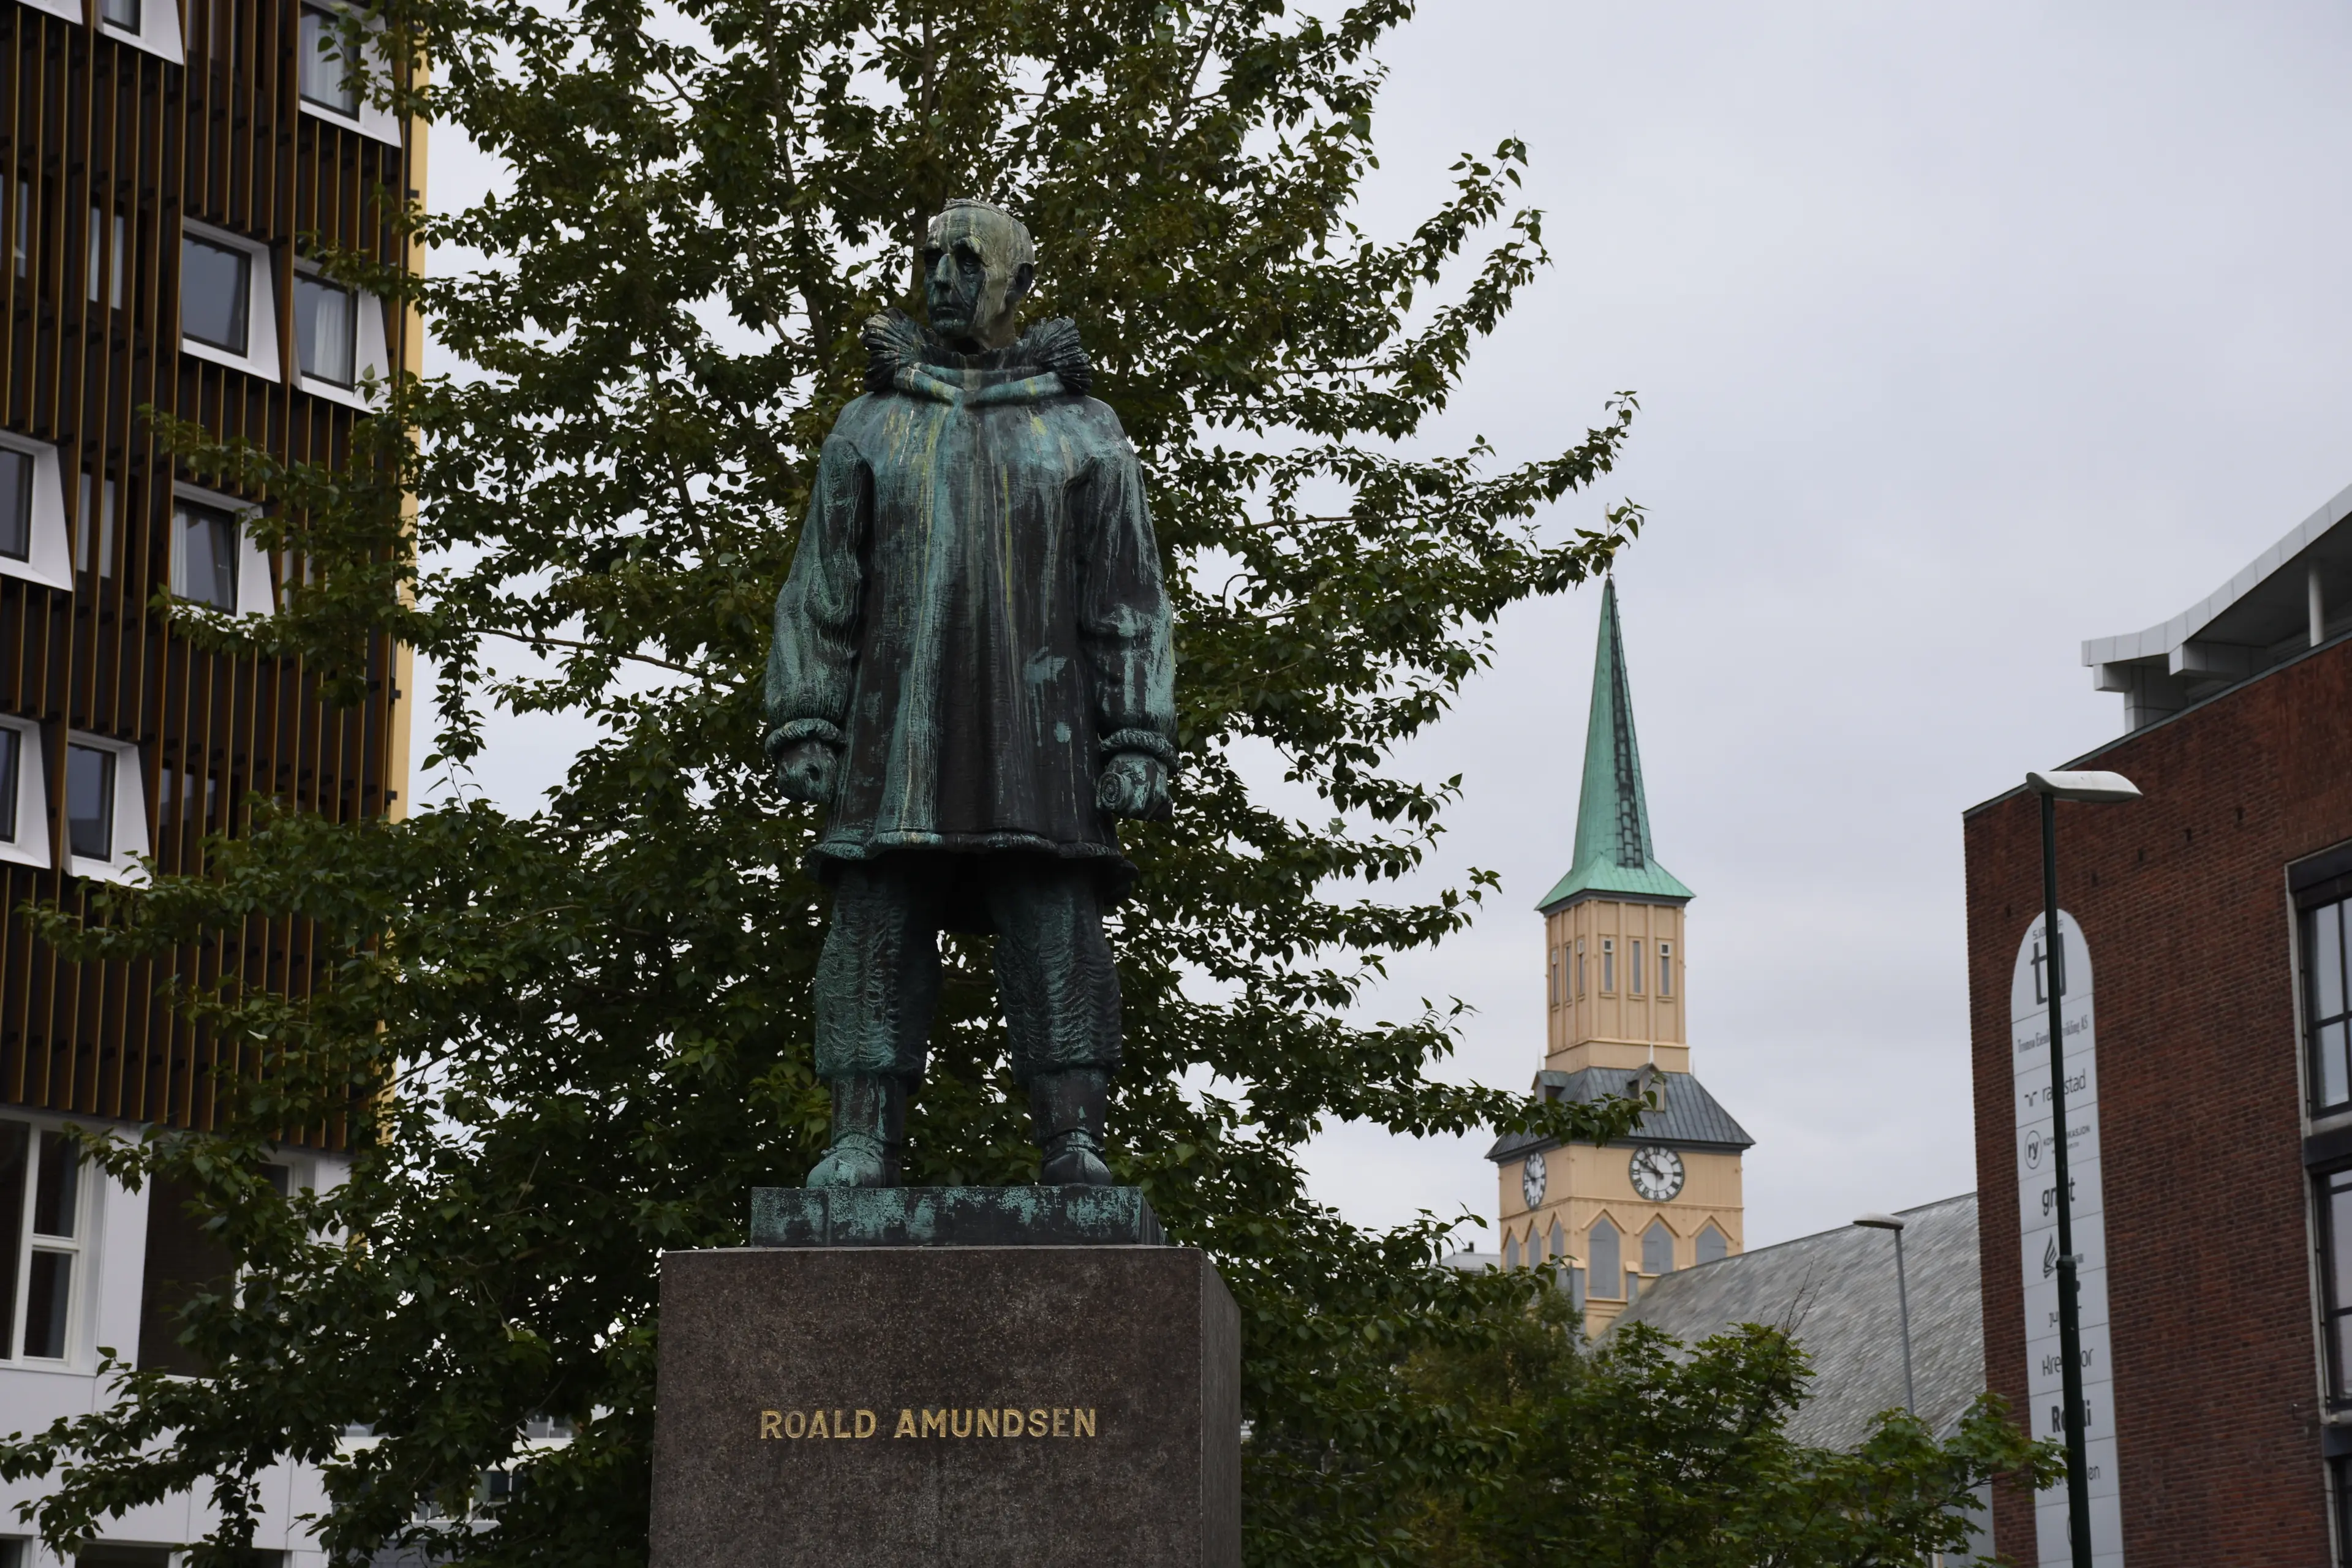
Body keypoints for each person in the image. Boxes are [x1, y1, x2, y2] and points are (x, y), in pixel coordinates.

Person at [764, 198, 1177, 1189]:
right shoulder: (870, 426)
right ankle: (861, 1129)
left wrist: (1137, 737)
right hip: (894, 731)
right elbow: (824, 584)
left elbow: (1125, 595)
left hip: (1041, 739)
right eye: (928, 258)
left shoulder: (1084, 434)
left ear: (1017, 284)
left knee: (1055, 925)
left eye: (965, 259)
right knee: (873, 921)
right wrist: (807, 713)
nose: (942, 276)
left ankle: (1073, 1132)